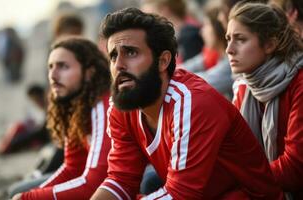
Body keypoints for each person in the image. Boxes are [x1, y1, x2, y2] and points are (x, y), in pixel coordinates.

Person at [91, 7, 283, 200]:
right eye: (113, 56)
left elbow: (181, 194)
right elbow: (121, 180)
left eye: (131, 52)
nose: (118, 65)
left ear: (163, 61)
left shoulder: (193, 102)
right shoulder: (122, 106)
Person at [10, 37, 111, 200]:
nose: (53, 75)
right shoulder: (76, 105)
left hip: (129, 184)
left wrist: (29, 198)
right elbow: (73, 168)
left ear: (89, 73)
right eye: (50, 67)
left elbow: (95, 184)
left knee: (21, 193)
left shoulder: (103, 105)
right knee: (17, 191)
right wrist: (30, 196)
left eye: (63, 66)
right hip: (97, 183)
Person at [226, 2, 303, 199]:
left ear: (270, 44)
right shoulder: (246, 87)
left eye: (240, 39)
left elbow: (294, 169)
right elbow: (232, 151)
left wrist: (238, 179)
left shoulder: (299, 83)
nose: (229, 49)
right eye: (228, 39)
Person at [180, 3, 233, 99]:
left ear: (218, 28)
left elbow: (204, 82)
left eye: (206, 25)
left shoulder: (231, 62)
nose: (201, 32)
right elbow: (192, 64)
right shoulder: (214, 54)